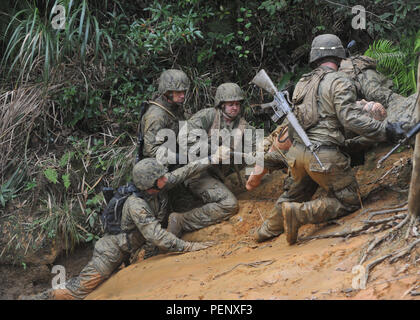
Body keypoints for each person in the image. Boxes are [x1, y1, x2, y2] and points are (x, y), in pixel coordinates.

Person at [255, 34, 407, 245]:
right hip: (324, 157)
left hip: (298, 155)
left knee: (292, 196)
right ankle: (299, 214)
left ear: (314, 57)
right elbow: (350, 119)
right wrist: (385, 131)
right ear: (339, 56)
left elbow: (294, 123)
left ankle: (264, 231)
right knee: (350, 201)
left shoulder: (302, 82)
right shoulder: (340, 81)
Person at [21, 154, 230, 300]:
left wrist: (210, 159)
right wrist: (189, 247)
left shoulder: (159, 184)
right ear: (150, 183)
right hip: (112, 251)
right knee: (78, 291)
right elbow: (156, 236)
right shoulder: (136, 204)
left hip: (136, 246)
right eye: (161, 177)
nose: (166, 179)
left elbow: (184, 172)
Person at [167, 83, 259, 237]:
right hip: (197, 173)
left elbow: (257, 143)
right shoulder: (207, 116)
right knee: (229, 204)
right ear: (221, 105)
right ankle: (181, 221)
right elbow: (184, 140)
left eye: (237, 104)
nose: (235, 108)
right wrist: (214, 150)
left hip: (219, 175)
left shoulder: (240, 124)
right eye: (230, 104)